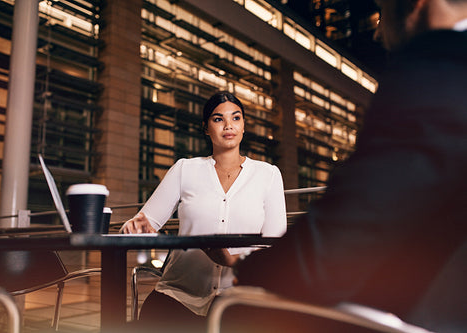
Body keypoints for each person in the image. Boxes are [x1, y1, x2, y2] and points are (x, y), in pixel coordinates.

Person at [231, 0, 467, 332]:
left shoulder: (439, 67)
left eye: (381, 11)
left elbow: (343, 241)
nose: (376, 32)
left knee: (241, 312)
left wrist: (247, 271)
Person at [121, 91, 287, 332]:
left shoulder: (268, 175)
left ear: (243, 126)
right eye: (218, 119)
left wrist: (232, 261)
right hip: (179, 296)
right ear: (206, 128)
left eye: (236, 118)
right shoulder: (184, 169)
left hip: (240, 299)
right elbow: (144, 223)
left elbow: (275, 249)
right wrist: (135, 227)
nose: (228, 125)